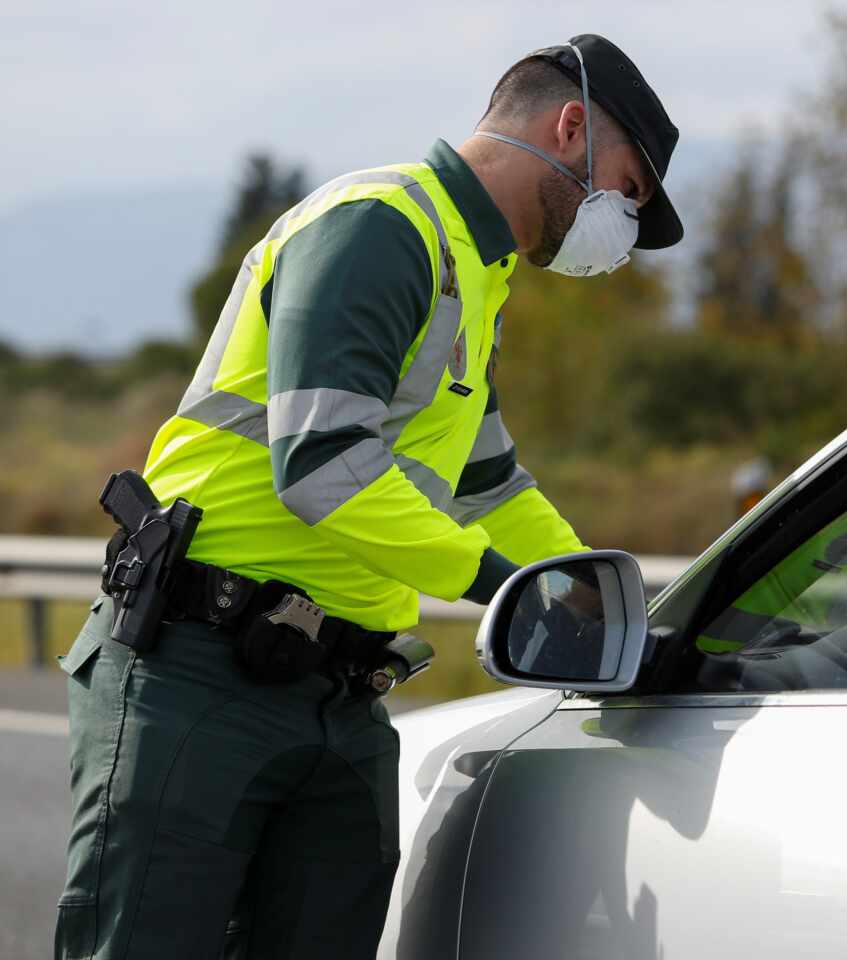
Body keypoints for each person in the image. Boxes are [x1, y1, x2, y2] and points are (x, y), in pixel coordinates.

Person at [53, 33, 681, 960]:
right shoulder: (381, 226)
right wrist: (510, 590)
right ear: (571, 126)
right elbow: (322, 465)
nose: (621, 224)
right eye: (626, 190)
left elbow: (491, 484)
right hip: (195, 674)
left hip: (338, 697)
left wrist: (612, 606)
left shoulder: (478, 274)